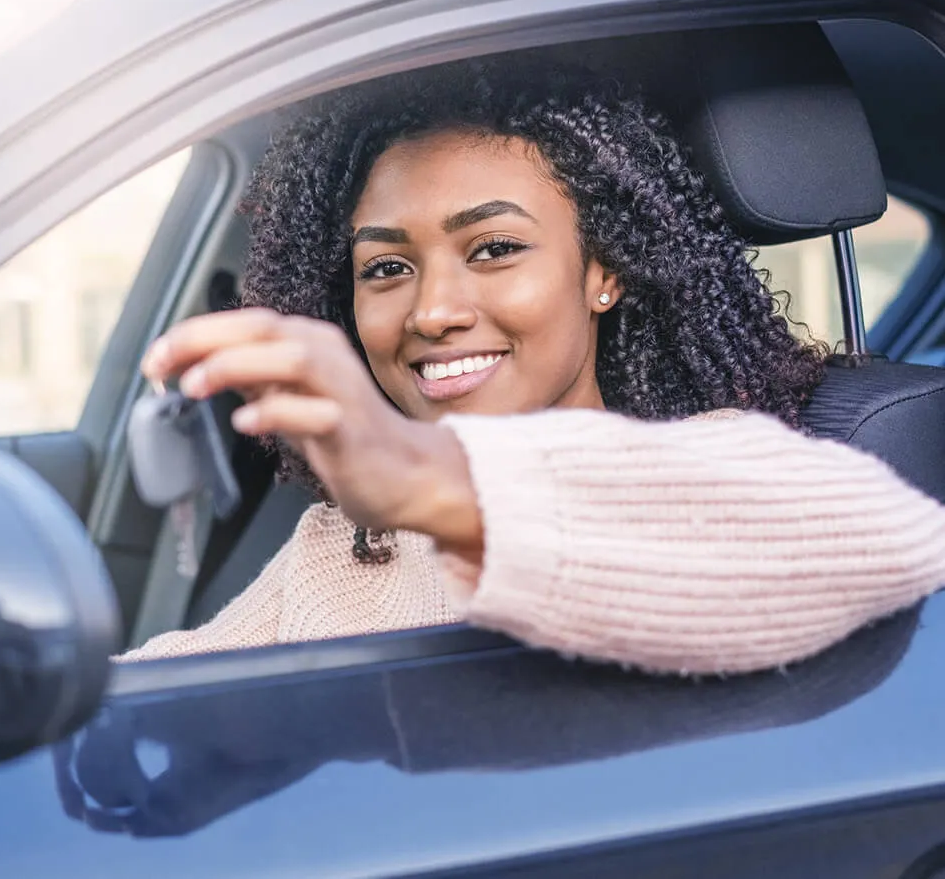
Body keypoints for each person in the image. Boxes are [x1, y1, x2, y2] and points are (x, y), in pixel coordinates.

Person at [122, 59, 945, 673]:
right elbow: (168, 691)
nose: (433, 310)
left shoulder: (716, 467)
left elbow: (887, 536)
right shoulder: (350, 547)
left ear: (603, 272)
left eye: (496, 248)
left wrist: (430, 480)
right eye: (386, 267)